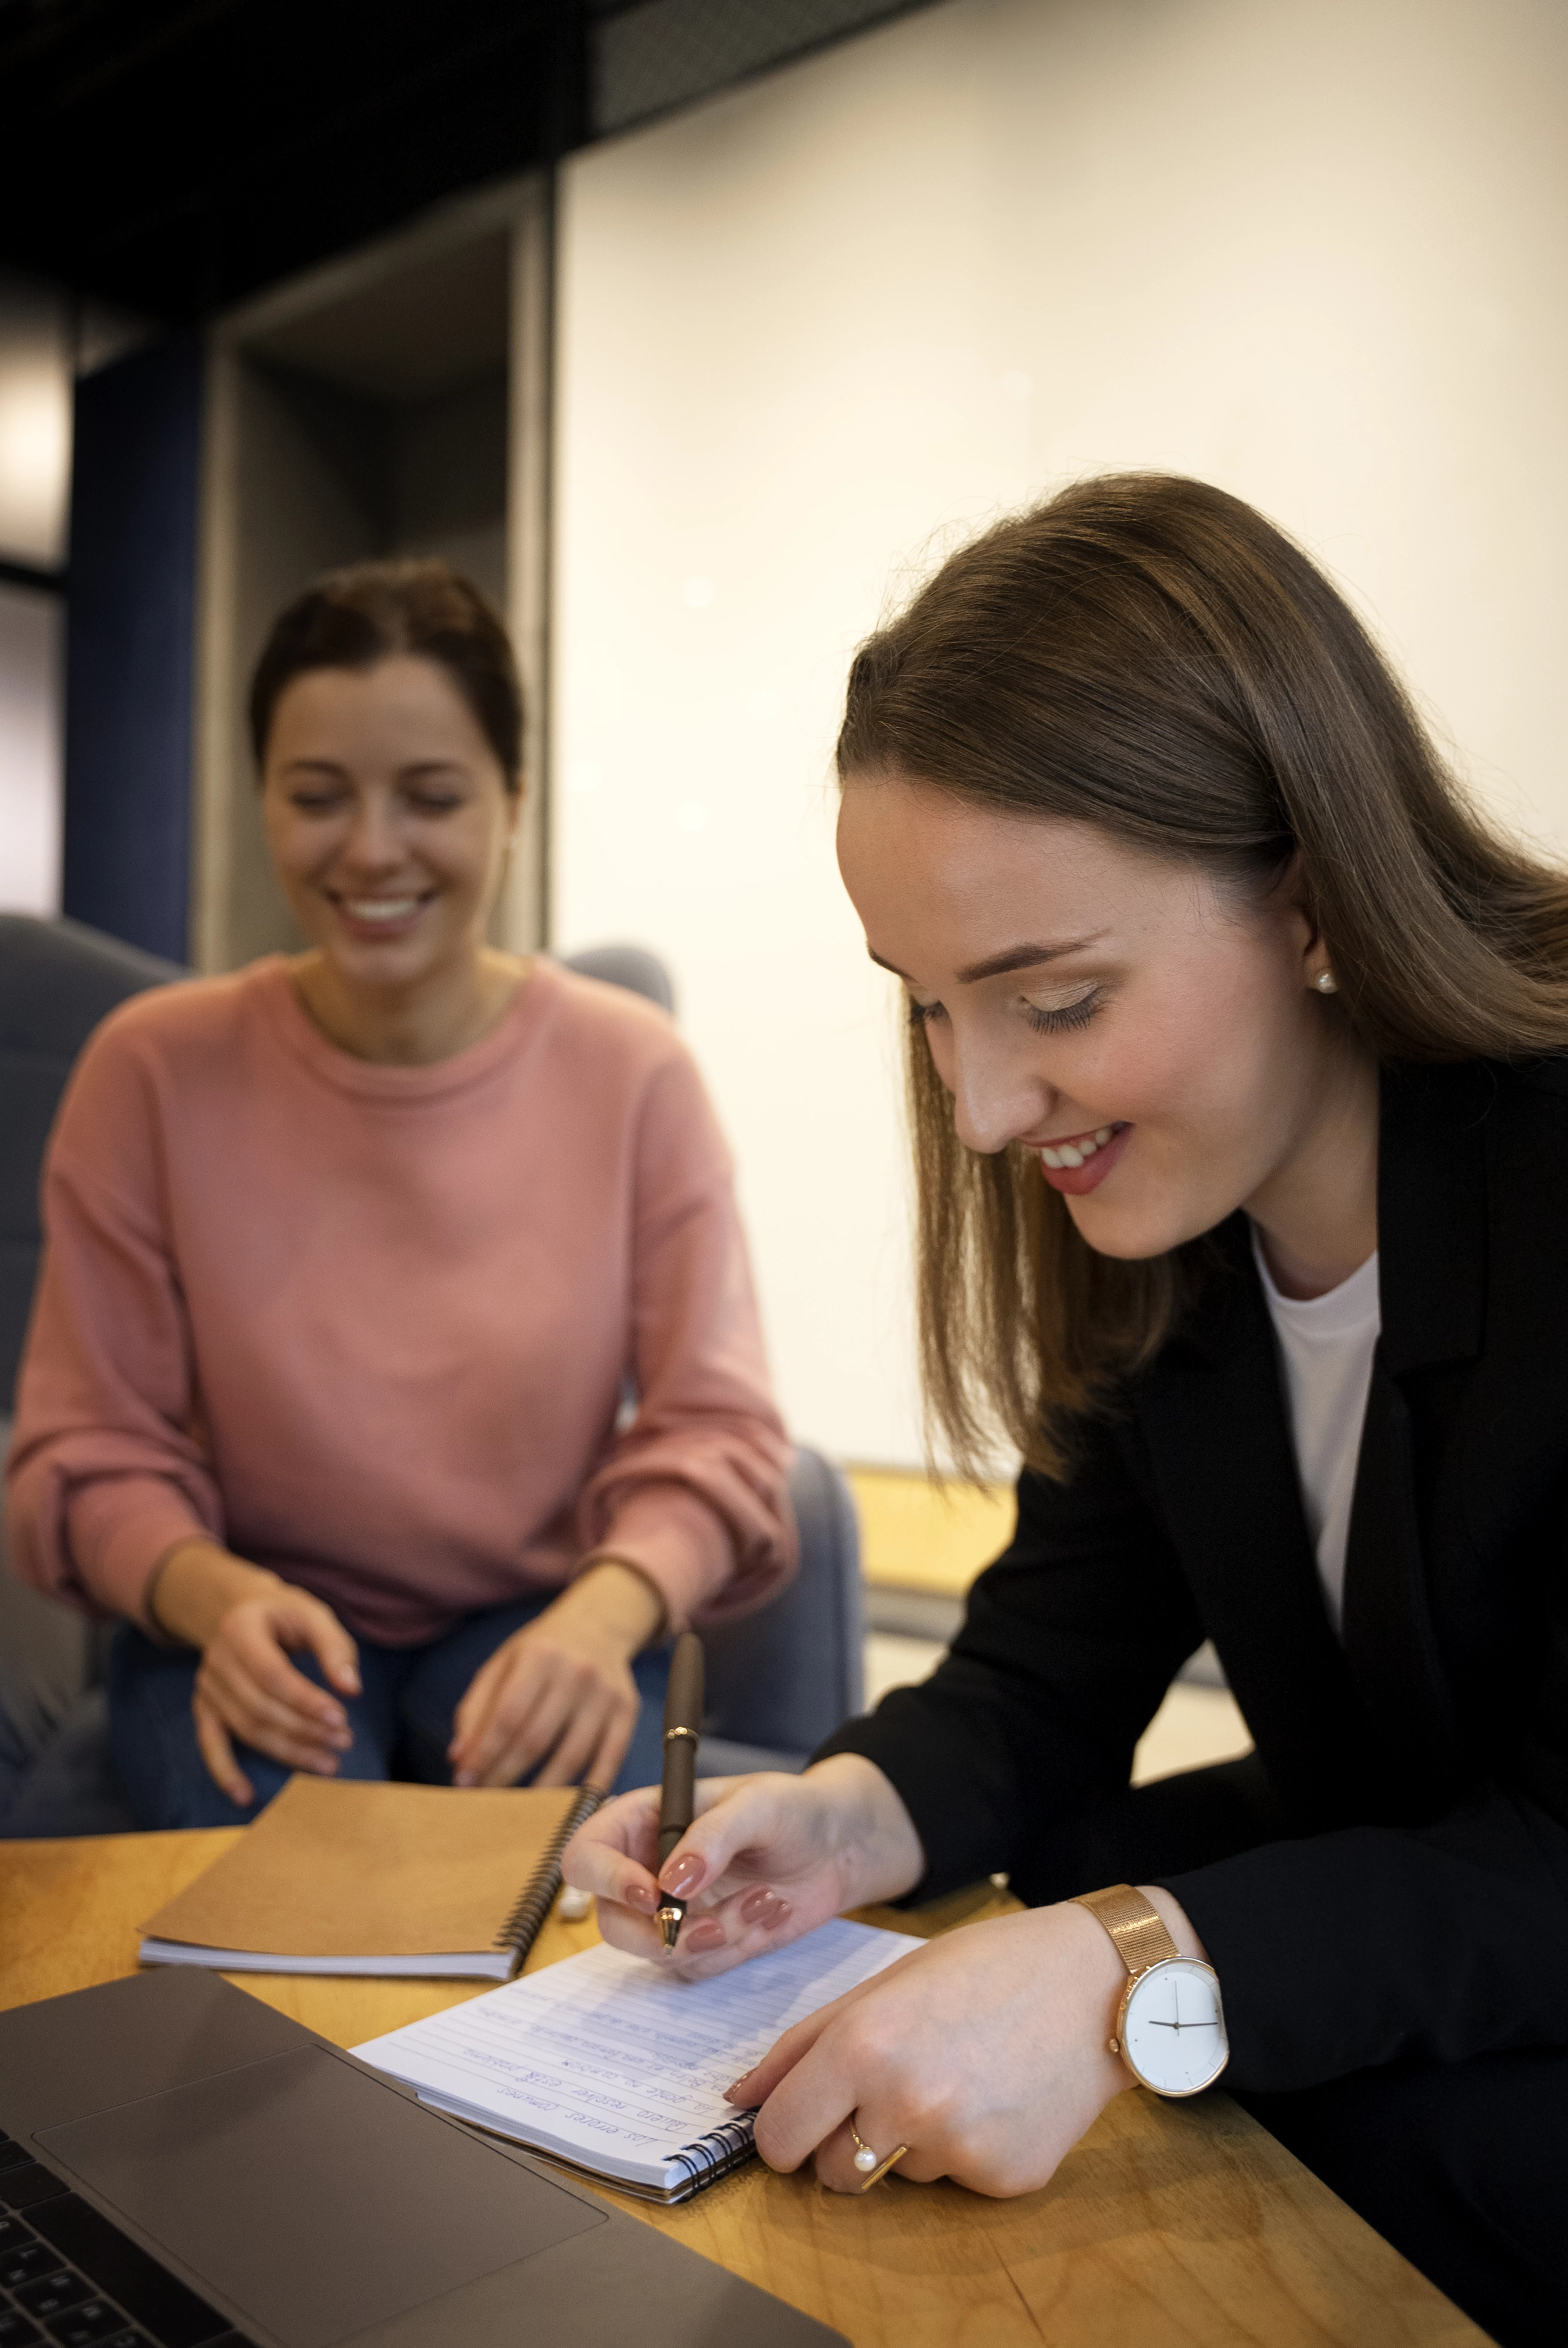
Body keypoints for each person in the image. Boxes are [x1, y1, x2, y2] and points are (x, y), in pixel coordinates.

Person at [565, 477, 1568, 2348]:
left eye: (1056, 998)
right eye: (930, 1009)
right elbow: (1043, 1669)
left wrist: (1128, 1977)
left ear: (1311, 897)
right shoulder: (1174, 1233)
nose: (979, 1108)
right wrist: (843, 1825)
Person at [5, 559, 794, 1826]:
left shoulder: (632, 1072)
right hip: (251, 1610)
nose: (371, 850)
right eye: (318, 796)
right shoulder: (150, 1069)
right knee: (281, 1942)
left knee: (601, 1916)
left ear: (512, 803)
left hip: (540, 1612)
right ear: (262, 796)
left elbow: (720, 1429)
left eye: (430, 796)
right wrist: (209, 1598)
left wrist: (605, 1614)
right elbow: (85, 1444)